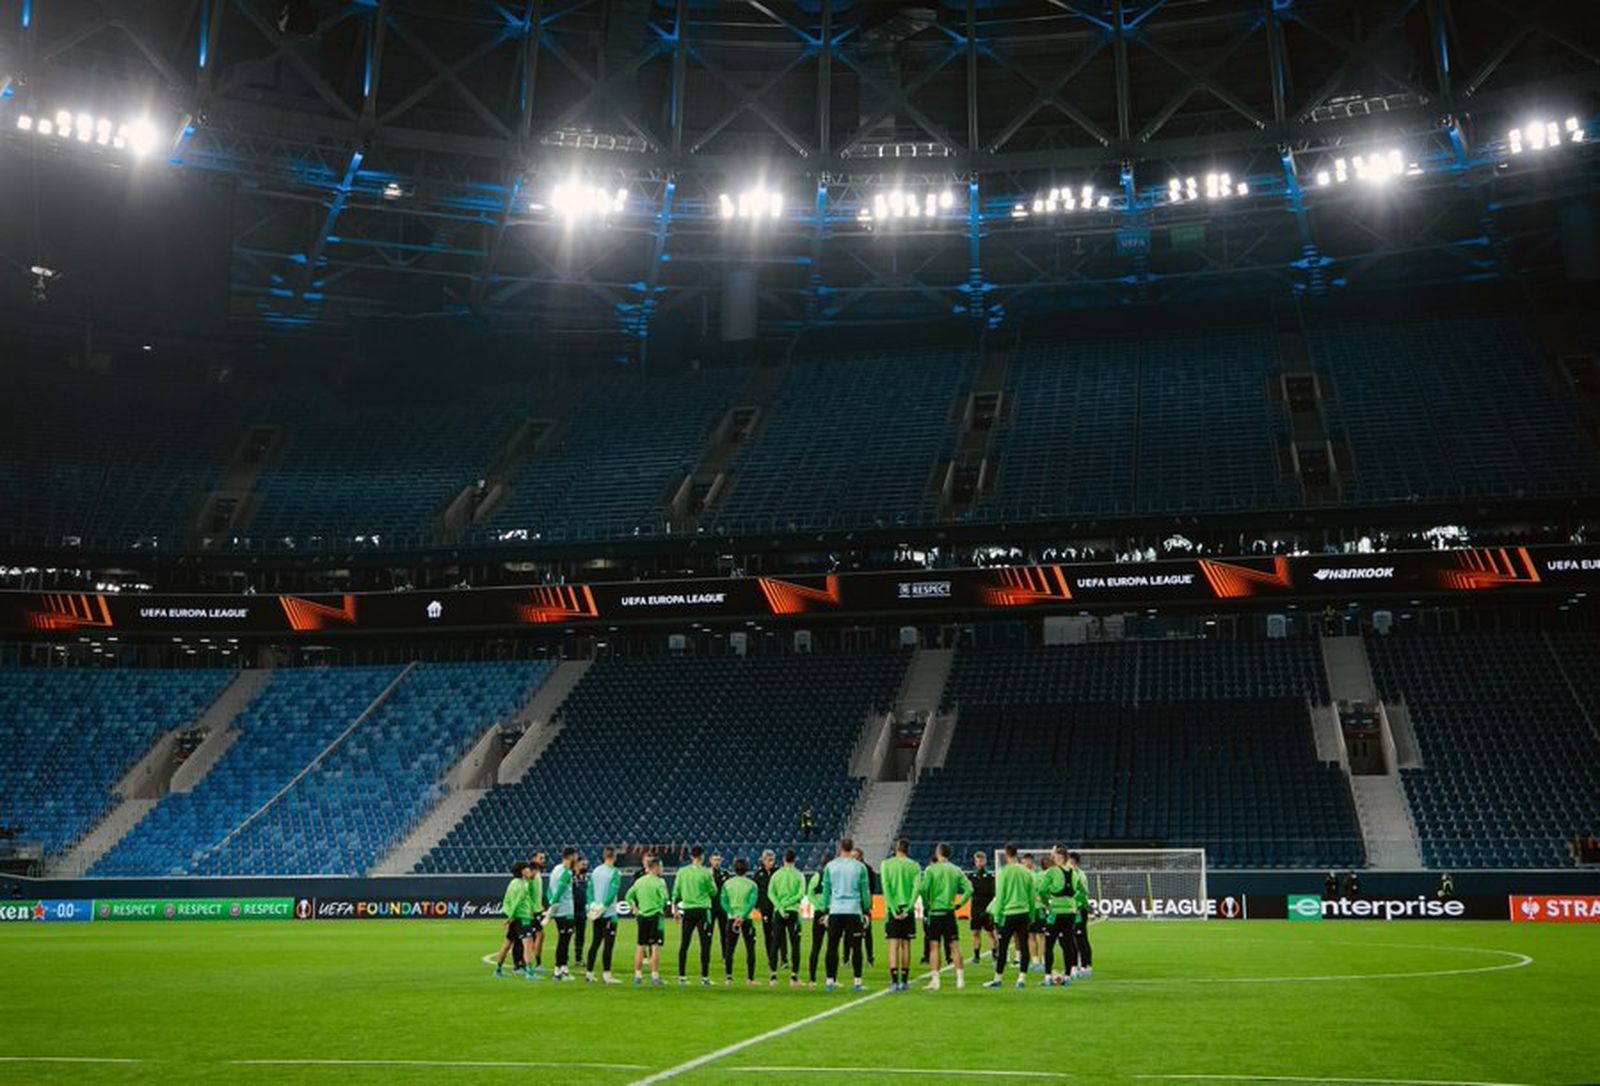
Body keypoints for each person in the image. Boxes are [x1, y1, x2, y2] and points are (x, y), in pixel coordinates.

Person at [821, 837, 872, 992]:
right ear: (852, 848)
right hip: (853, 911)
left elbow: (826, 891)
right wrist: (866, 909)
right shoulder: (860, 867)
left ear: (840, 848)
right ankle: (857, 982)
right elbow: (865, 890)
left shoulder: (830, 866)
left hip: (836, 910)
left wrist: (825, 910)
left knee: (832, 946)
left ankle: (830, 981)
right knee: (856, 947)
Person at [983, 844, 1038, 989]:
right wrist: (1031, 915)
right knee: (1024, 945)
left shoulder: (1004, 872)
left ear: (1006, 855)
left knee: (1003, 946)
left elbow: (1000, 896)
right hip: (1024, 913)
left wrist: (997, 916)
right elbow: (1031, 895)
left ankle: (998, 978)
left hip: (1008, 914)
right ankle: (1022, 979)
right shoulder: (1026, 872)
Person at [920, 842, 971, 991]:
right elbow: (969, 889)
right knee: (954, 946)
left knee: (934, 947)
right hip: (949, 912)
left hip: (935, 912)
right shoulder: (956, 870)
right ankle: (960, 979)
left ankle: (936, 981)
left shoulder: (931, 869)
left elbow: (923, 889)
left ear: (939, 852)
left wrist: (927, 904)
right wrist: (959, 904)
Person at [671, 845, 717, 985]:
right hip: (703, 910)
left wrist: (675, 910)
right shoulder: (706, 873)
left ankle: (682, 977)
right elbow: (713, 892)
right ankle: (704, 977)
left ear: (691, 856)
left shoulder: (682, 872)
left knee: (684, 943)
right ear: (702, 857)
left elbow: (676, 893)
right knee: (705, 944)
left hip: (688, 910)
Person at [880, 838, 921, 992]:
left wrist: (893, 909)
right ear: (907, 849)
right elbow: (916, 889)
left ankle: (893, 981)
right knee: (905, 945)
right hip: (907, 909)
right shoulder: (914, 865)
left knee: (893, 945)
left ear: (895, 849)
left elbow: (886, 887)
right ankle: (904, 981)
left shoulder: (886, 864)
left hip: (893, 909)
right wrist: (909, 909)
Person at [626, 856, 669, 986]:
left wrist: (634, 908)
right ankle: (654, 976)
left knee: (640, 946)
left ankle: (638, 976)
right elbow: (665, 897)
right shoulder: (659, 882)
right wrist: (662, 908)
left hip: (642, 916)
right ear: (655, 867)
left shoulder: (639, 882)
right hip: (655, 916)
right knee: (655, 946)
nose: (662, 869)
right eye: (660, 867)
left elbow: (628, 896)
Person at [767, 849, 806, 987]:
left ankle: (773, 977)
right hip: (793, 912)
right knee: (795, 944)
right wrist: (788, 904)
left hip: (779, 912)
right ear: (794, 860)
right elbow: (801, 894)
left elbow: (770, 893)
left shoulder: (776, 875)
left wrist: (780, 906)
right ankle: (794, 977)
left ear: (783, 859)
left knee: (775, 943)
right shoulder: (799, 875)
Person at [585, 846, 623, 984]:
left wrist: (591, 905)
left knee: (595, 942)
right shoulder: (615, 873)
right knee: (608, 945)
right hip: (609, 913)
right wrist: (604, 906)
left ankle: (589, 973)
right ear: (614, 857)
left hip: (596, 913)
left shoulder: (595, 871)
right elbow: (612, 893)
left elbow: (589, 890)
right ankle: (607, 975)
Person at [493, 862, 538, 980]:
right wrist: (510, 917)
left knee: (507, 944)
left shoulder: (512, 883)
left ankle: (498, 969)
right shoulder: (522, 885)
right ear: (522, 871)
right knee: (528, 944)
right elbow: (518, 902)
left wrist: (509, 915)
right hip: (523, 918)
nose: (530, 871)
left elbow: (506, 900)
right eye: (527, 869)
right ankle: (529, 972)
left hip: (516, 918)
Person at [720, 857, 761, 986]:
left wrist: (733, 914)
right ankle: (750, 979)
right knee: (750, 948)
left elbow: (723, 902)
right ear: (746, 869)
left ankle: (728, 978)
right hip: (746, 919)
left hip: (731, 919)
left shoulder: (727, 884)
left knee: (729, 949)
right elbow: (752, 902)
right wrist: (742, 916)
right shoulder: (752, 884)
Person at [1040, 846, 1077, 988]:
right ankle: (1067, 976)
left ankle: (1048, 976)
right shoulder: (1074, 872)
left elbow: (1042, 890)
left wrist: (1046, 903)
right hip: (1070, 911)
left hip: (1056, 912)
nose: (1052, 858)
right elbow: (1079, 890)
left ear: (1058, 857)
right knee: (1068, 944)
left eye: (1053, 855)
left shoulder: (1052, 871)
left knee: (1049, 945)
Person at [546, 847, 580, 981]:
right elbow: (559, 890)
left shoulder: (555, 869)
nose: (576, 858)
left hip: (558, 911)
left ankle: (563, 968)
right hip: (566, 911)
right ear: (571, 856)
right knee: (564, 941)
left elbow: (549, 889)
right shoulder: (566, 872)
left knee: (563, 939)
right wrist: (553, 904)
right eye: (575, 856)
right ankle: (558, 970)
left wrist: (551, 902)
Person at [751, 850, 780, 984]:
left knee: (780, 935)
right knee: (768, 935)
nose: (770, 862)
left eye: (772, 860)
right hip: (766, 909)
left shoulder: (778, 873)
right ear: (763, 860)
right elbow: (755, 891)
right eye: (768, 860)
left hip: (779, 908)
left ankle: (783, 958)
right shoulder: (758, 875)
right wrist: (757, 905)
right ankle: (771, 959)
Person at [1066, 850, 1093, 979]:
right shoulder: (1077, 873)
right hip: (1075, 909)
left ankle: (1084, 966)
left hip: (1077, 910)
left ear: (1073, 862)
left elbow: (1083, 893)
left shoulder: (1078, 874)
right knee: (1078, 938)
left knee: (1079, 938)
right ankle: (1083, 965)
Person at [968, 850, 996, 965]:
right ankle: (976, 956)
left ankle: (995, 955)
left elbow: (994, 892)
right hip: (975, 908)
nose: (980, 862)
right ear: (975, 862)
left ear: (985, 861)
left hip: (988, 908)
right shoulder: (971, 877)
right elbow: (969, 891)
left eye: (982, 860)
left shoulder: (991, 876)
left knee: (990, 933)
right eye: (977, 860)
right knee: (975, 933)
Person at [1024, 852, 1049, 972]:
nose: (1026, 863)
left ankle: (1043, 959)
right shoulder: (1024, 875)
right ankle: (1035, 961)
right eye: (1024, 861)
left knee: (1041, 935)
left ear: (1031, 862)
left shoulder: (1038, 875)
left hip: (1039, 908)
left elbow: (1044, 890)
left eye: (1028, 861)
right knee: (1031, 935)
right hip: (1030, 909)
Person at [853, 847, 877, 967]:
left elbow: (872, 886)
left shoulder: (867, 869)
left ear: (861, 857)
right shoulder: (851, 868)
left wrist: (867, 901)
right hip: (852, 905)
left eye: (855, 856)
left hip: (863, 905)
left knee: (867, 932)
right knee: (850, 931)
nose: (853, 859)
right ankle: (847, 958)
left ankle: (870, 958)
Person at [805, 865, 829, 986]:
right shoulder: (820, 876)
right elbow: (810, 894)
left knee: (819, 946)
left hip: (826, 913)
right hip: (827, 913)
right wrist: (821, 907)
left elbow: (810, 894)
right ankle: (829, 979)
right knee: (825, 947)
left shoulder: (818, 876)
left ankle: (813, 979)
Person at [709, 852, 731, 960]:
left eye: (718, 860)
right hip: (710, 907)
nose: (717, 862)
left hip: (722, 907)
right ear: (710, 861)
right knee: (708, 933)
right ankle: (706, 955)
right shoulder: (707, 874)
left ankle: (725, 956)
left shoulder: (726, 874)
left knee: (724, 933)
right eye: (715, 859)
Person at [571, 855, 590, 967]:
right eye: (583, 864)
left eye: (586, 865)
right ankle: (563, 960)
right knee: (567, 935)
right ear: (576, 864)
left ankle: (578, 958)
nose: (585, 867)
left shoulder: (586, 878)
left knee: (580, 935)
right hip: (571, 910)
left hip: (582, 911)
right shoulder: (570, 876)